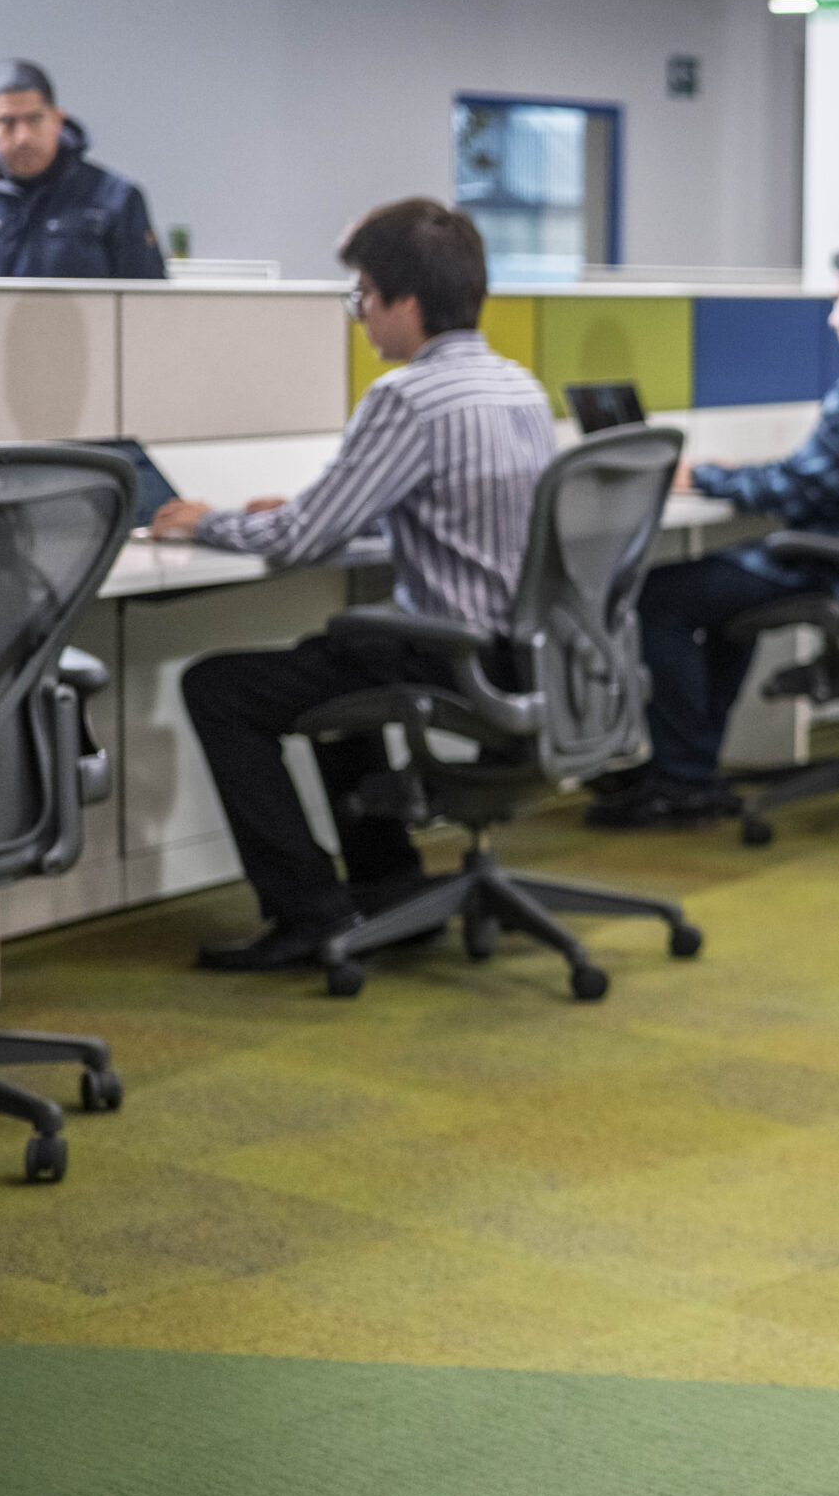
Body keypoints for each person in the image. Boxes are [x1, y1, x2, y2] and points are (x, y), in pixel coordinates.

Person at [155, 200, 556, 970]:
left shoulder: (407, 396)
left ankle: (308, 911)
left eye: (364, 294)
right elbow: (461, 511)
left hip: (451, 658)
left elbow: (299, 540)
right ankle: (388, 885)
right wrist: (320, 511)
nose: (359, 313)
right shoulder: (520, 387)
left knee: (221, 688)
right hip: (524, 654)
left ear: (407, 302)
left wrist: (206, 521)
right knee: (345, 656)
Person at [586, 234, 839, 829]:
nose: (832, 317)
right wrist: (741, 475)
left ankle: (682, 780)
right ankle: (688, 770)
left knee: (657, 597)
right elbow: (830, 473)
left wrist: (702, 476)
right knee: (723, 603)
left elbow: (802, 489)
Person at [0, 60, 167, 279]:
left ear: (57, 119)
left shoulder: (116, 197)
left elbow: (146, 295)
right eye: (7, 121)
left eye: (35, 119)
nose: (23, 137)